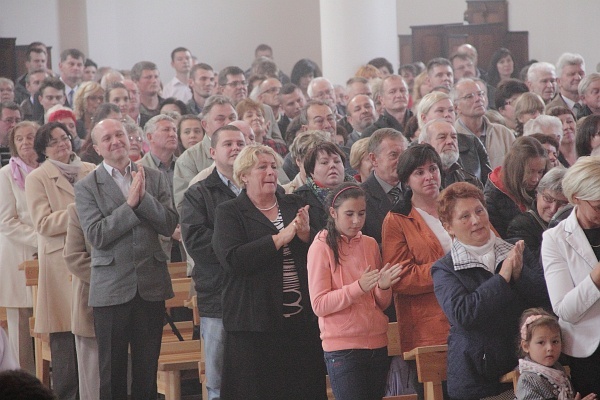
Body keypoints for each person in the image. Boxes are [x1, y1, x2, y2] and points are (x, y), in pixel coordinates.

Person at [212, 144, 326, 399]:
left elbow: (321, 252)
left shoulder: (294, 203)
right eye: (262, 167)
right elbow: (234, 259)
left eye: (273, 166)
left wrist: (307, 234)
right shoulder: (229, 212)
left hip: (300, 321)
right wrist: (279, 239)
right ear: (243, 175)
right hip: (254, 324)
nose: (271, 172)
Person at [74, 118, 177, 399]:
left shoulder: (152, 177)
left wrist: (143, 199)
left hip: (150, 286)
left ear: (130, 138)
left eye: (119, 134)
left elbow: (168, 224)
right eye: (107, 138)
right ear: (96, 148)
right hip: (111, 289)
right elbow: (96, 235)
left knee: (147, 370)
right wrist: (130, 205)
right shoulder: (86, 186)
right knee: (112, 372)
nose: (115, 141)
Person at [432, 182, 551, 400]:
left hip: (528, 370)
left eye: (479, 211)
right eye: (465, 216)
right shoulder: (444, 269)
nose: (476, 220)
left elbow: (546, 300)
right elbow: (464, 315)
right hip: (477, 381)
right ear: (449, 227)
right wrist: (502, 279)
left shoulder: (516, 248)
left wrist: (519, 275)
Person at [307, 183, 402, 400]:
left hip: (377, 343)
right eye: (349, 214)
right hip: (343, 348)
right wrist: (358, 287)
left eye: (361, 214)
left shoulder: (369, 244)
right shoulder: (321, 246)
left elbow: (381, 303)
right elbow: (319, 304)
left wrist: (383, 286)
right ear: (333, 213)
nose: (356, 221)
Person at [25, 122, 96, 400]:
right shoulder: (38, 177)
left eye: (65, 138)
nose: (62, 144)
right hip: (61, 265)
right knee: (66, 344)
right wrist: (81, 210)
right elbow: (43, 223)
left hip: (91, 258)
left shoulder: (90, 169)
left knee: (95, 340)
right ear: (43, 149)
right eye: (54, 141)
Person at [181, 125, 246, 400]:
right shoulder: (199, 193)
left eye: (240, 143)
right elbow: (196, 241)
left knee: (257, 376)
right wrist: (242, 253)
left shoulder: (264, 187)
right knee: (218, 381)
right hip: (218, 294)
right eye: (228, 144)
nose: (235, 148)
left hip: (255, 295)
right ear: (212, 152)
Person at [381, 144, 452, 394]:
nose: (429, 176)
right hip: (428, 329)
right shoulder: (397, 218)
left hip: (470, 318)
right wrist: (449, 269)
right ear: (407, 180)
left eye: (433, 169)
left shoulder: (459, 203)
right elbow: (401, 277)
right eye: (419, 172)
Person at [542, 156, 600, 396]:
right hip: (590, 354)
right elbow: (565, 310)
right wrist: (596, 277)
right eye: (598, 206)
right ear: (576, 198)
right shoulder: (555, 239)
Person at [0, 121, 39, 374]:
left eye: (31, 137)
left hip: (48, 258)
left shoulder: (48, 170)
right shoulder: (6, 174)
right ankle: (24, 385)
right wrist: (41, 238)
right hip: (18, 254)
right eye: (19, 139)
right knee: (20, 329)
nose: (25, 142)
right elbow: (6, 221)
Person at [515, 308, 594, 400]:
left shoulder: (559, 370)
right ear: (525, 346)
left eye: (555, 341)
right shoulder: (527, 380)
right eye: (541, 342)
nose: (550, 348)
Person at [63, 203, 99, 400]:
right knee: (93, 386)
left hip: (133, 307)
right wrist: (111, 279)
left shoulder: (139, 205)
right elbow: (73, 257)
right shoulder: (78, 209)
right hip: (90, 305)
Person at [418, 91, 491, 184]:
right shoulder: (414, 150)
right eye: (440, 110)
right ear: (424, 118)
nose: (447, 115)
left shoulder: (471, 142)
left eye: (451, 110)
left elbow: (489, 182)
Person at [485, 136, 548, 238]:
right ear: (515, 168)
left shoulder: (540, 188)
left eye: (540, 172)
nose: (535, 179)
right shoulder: (492, 199)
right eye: (530, 172)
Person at [295, 141, 355, 232]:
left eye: (337, 161)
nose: (332, 165)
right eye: (324, 162)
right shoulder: (300, 198)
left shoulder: (359, 191)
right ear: (312, 172)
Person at [507, 167, 567, 256]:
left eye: (563, 203)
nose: (553, 209)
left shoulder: (577, 221)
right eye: (548, 199)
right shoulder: (520, 226)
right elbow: (533, 266)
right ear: (537, 194)